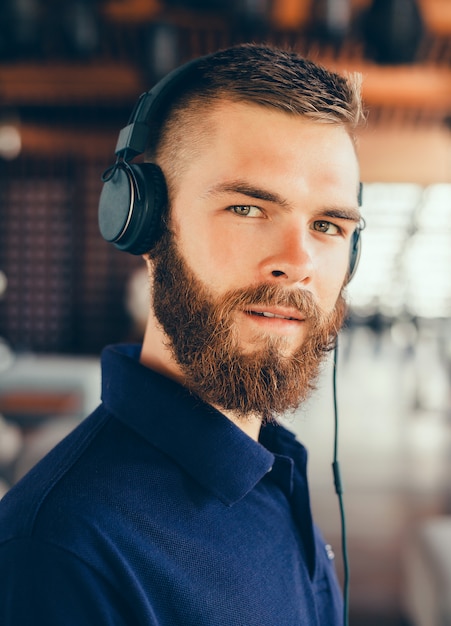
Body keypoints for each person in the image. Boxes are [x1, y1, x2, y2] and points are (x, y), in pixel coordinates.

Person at [0, 43, 364, 625]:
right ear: (142, 221)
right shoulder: (61, 550)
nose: (298, 262)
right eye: (248, 208)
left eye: (327, 225)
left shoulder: (272, 465)